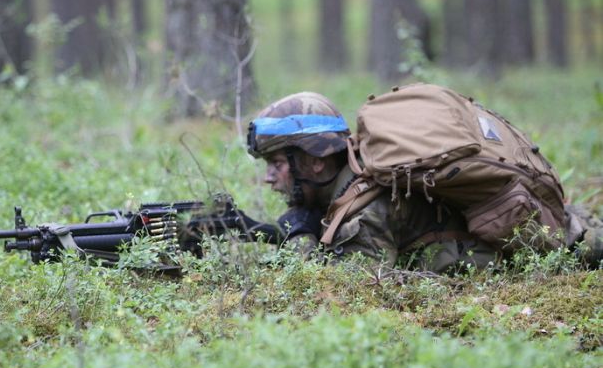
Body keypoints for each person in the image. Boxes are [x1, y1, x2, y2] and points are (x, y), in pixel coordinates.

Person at [247, 91, 602, 273]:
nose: (268, 177)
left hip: (544, 253)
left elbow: (343, 291)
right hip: (562, 225)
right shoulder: (358, 171)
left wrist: (297, 237)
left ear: (315, 160)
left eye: (278, 163)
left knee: (583, 246)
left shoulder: (364, 211)